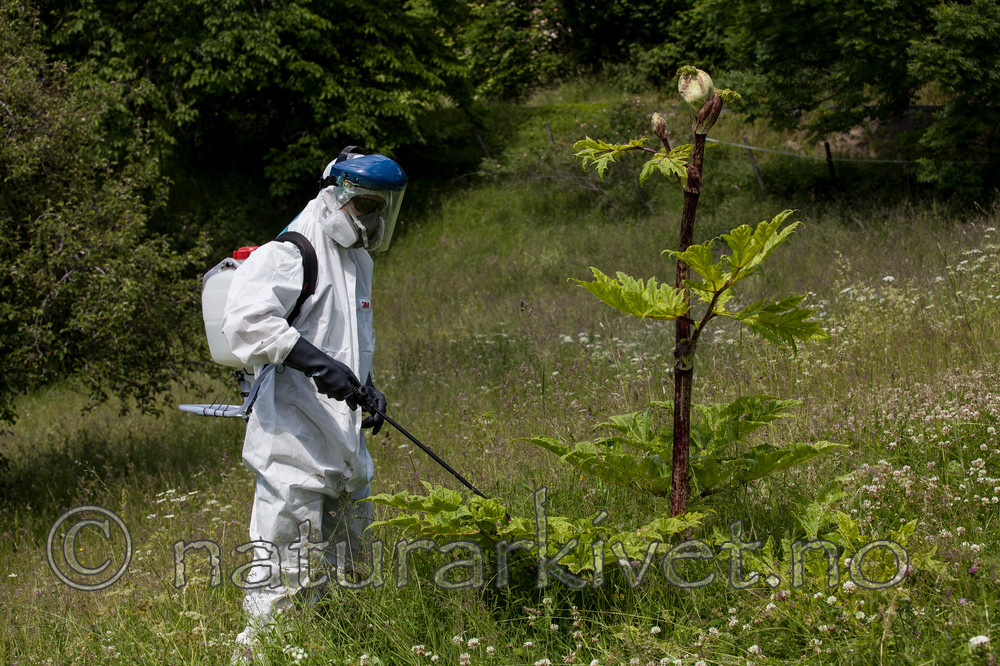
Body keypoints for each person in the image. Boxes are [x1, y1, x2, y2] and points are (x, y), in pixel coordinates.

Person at [224, 148, 406, 660]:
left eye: (382, 207)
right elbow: (246, 322)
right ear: (338, 197)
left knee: (352, 581)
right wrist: (317, 364)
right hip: (293, 451)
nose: (374, 218)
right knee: (283, 588)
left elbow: (350, 342)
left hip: (345, 454)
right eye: (367, 205)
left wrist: (367, 388)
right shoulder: (292, 251)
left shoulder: (358, 258)